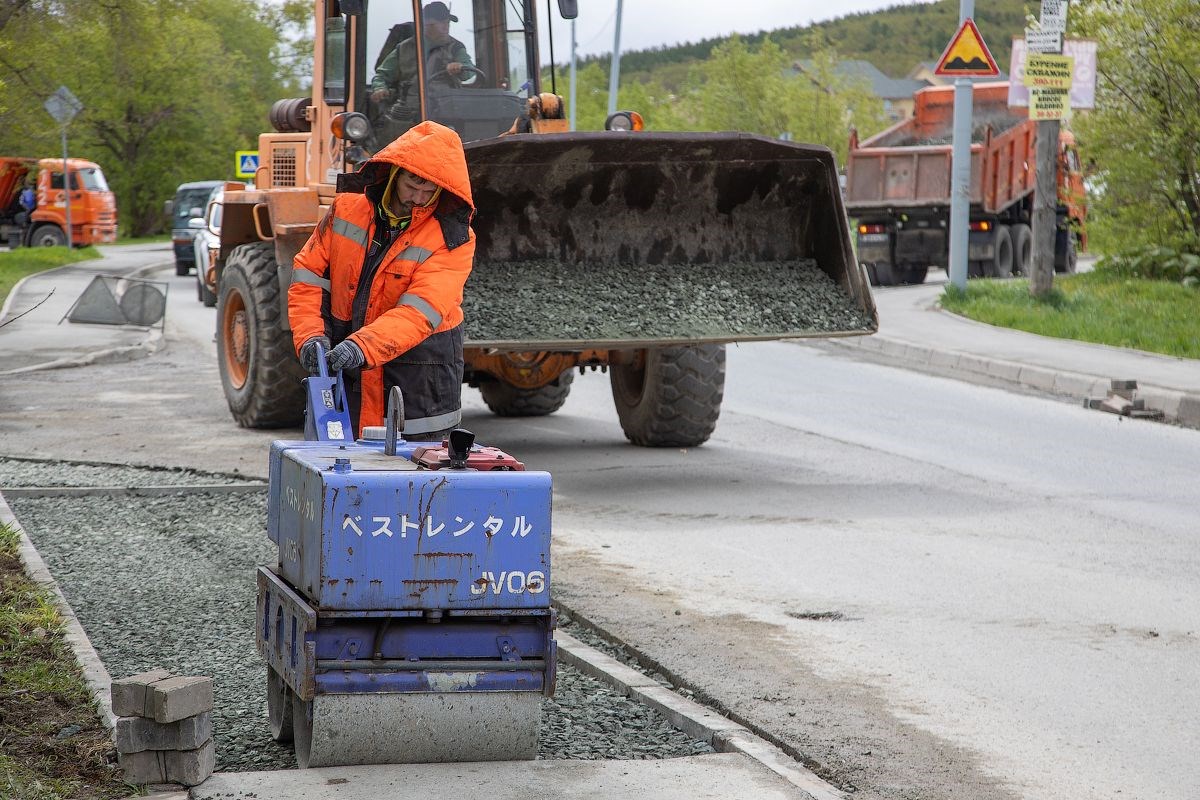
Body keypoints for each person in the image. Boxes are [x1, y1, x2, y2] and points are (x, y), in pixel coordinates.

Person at [289, 120, 475, 440]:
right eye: (411, 184)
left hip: (418, 388)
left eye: (428, 191)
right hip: (348, 376)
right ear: (394, 173)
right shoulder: (346, 209)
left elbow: (420, 312)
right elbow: (308, 276)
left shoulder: (453, 239)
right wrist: (309, 336)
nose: (417, 197)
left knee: (420, 482)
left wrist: (362, 347)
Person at [370, 1, 477, 107]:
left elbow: (469, 72)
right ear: (426, 24)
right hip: (410, 109)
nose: (446, 27)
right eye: (441, 23)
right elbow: (382, 75)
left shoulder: (455, 47)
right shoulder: (404, 48)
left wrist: (460, 68)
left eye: (447, 22)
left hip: (447, 109)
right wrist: (380, 88)